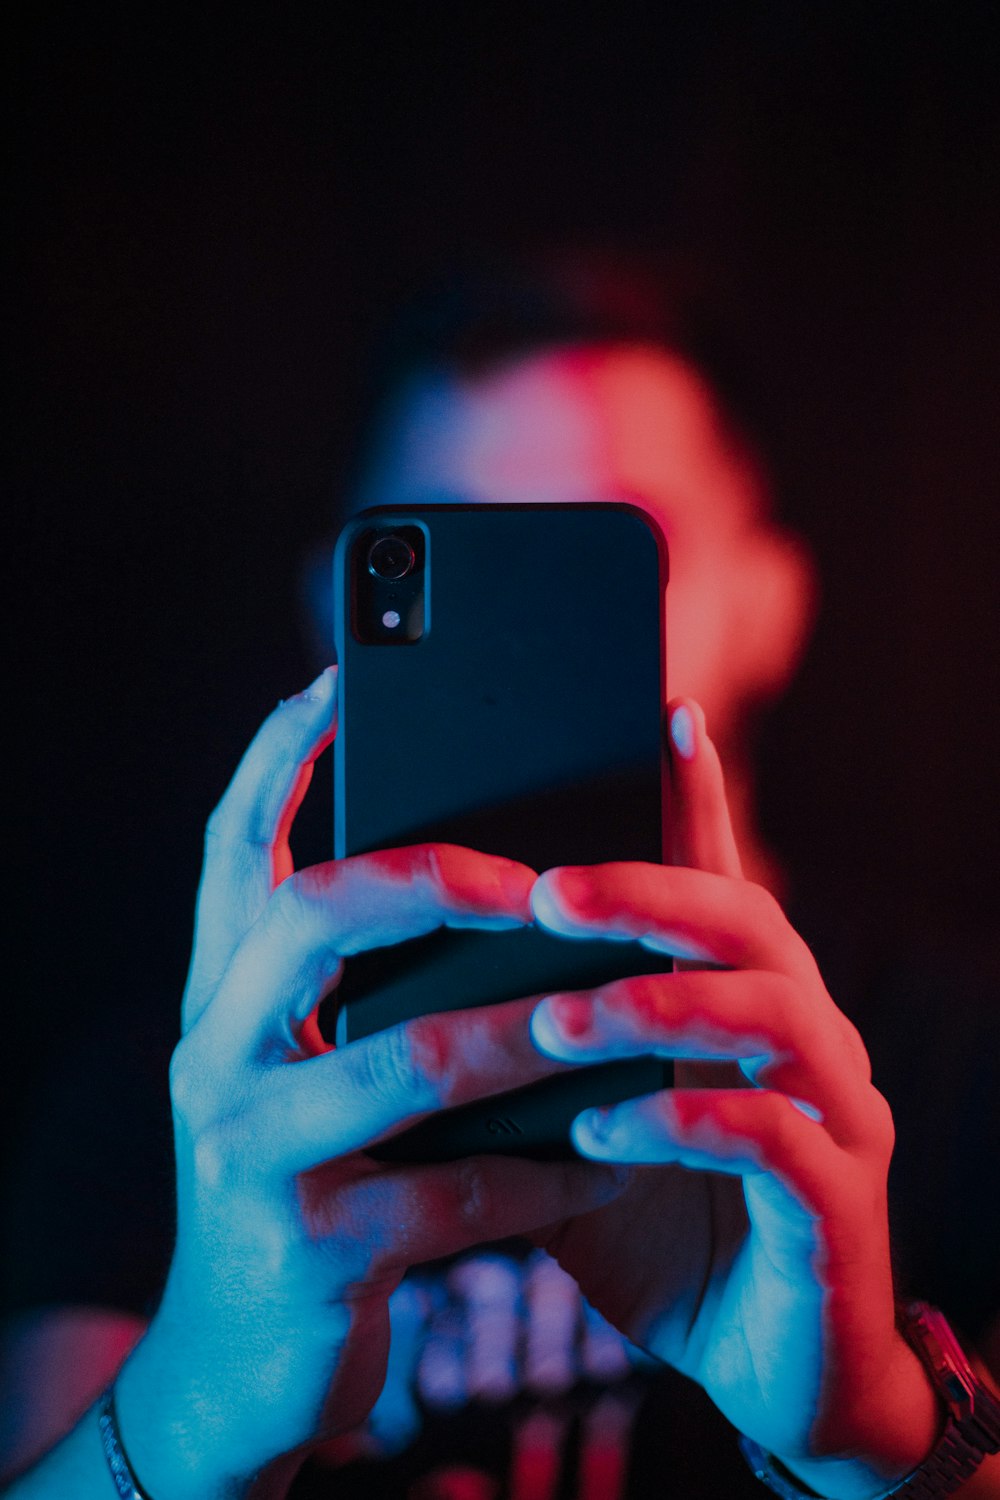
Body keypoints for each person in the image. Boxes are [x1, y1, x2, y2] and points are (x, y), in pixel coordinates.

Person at [2, 256, 998, 1500]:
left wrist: (871, 1436)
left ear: (771, 601)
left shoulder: (961, 1064)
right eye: (453, 547)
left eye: (605, 548)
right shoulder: (171, 1104)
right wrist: (200, 1393)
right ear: (332, 607)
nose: (524, 642)